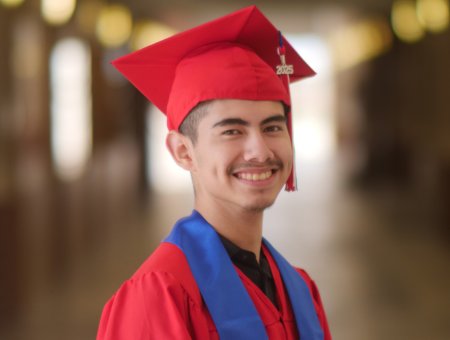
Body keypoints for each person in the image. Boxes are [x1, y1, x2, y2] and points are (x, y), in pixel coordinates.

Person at [97, 5, 331, 340]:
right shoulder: (158, 294)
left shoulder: (299, 290)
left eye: (272, 127)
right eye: (232, 131)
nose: (260, 151)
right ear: (182, 151)